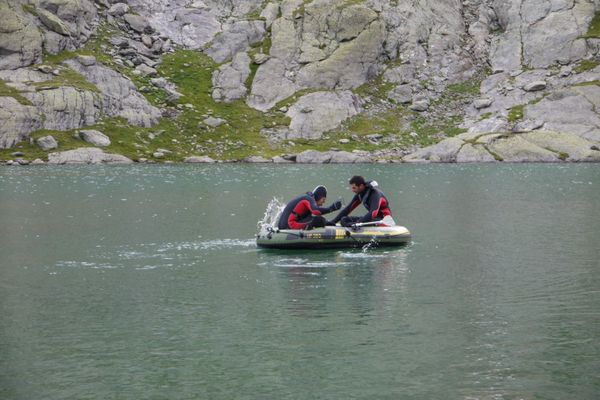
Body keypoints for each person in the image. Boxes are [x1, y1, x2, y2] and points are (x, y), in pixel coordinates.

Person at [328, 175, 394, 228]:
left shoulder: (375, 194)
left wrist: (358, 223)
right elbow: (348, 209)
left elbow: (373, 213)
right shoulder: (360, 195)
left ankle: (355, 227)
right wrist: (333, 222)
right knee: (344, 219)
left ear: (361, 186)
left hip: (383, 220)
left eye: (354, 188)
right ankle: (353, 227)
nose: (352, 190)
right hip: (372, 219)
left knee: (349, 222)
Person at [277, 185, 342, 230]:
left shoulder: (307, 198)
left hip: (285, 225)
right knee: (319, 220)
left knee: (321, 220)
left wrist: (327, 222)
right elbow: (316, 211)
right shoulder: (308, 199)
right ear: (318, 196)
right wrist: (332, 208)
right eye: (323, 199)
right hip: (289, 225)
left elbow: (308, 218)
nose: (323, 203)